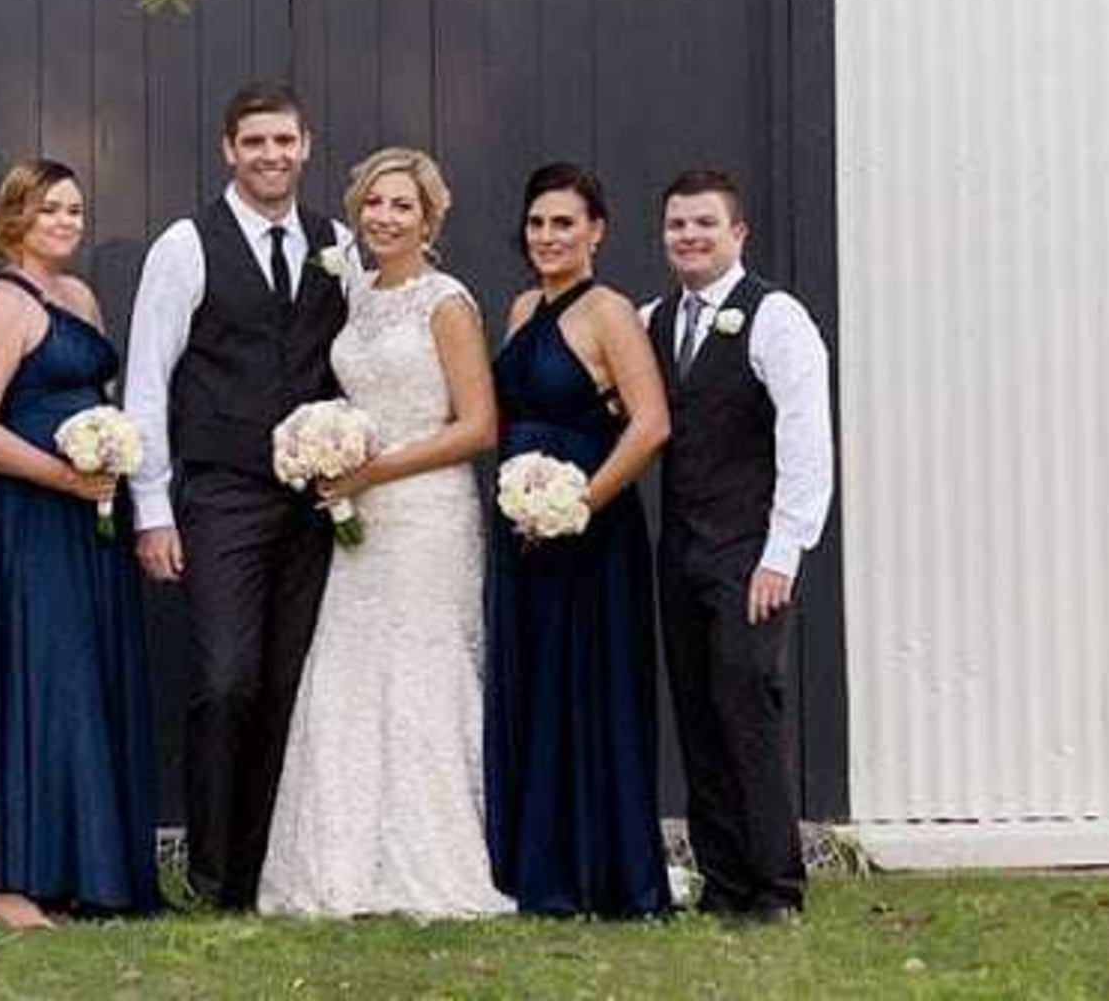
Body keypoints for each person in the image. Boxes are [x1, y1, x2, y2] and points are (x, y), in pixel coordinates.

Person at [257, 147, 510, 919]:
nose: (385, 218)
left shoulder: (447, 302)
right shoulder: (358, 297)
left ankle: (435, 863)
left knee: (422, 675)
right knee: (349, 671)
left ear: (429, 218)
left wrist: (376, 470)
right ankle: (343, 867)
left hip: (427, 513)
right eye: (374, 204)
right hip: (360, 515)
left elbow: (478, 426)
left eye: (402, 206)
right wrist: (330, 448)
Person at [123, 81, 351, 909]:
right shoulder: (185, 245)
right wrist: (151, 508)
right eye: (254, 142)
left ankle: (262, 874)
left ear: (306, 145)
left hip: (314, 505)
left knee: (290, 684)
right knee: (226, 680)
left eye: (284, 141)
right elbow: (147, 380)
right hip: (220, 494)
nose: (270, 156)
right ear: (228, 149)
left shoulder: (338, 242)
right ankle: (213, 873)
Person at [0, 160, 160, 928]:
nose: (66, 220)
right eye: (50, 208)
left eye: (76, 209)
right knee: (33, 679)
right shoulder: (0, 302)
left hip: (87, 519)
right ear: (15, 217)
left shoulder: (81, 298)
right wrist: (63, 478)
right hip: (24, 521)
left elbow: (96, 398)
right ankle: (3, 880)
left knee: (84, 683)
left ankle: (82, 870)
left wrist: (107, 455)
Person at [485, 162, 674, 918]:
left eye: (564, 223)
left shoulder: (611, 313)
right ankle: (542, 867)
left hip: (590, 535)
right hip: (523, 529)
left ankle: (607, 870)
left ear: (596, 230)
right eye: (537, 223)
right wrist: (525, 507)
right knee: (536, 688)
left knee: (590, 688)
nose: (548, 236)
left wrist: (578, 505)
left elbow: (651, 424)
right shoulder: (522, 306)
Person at [647, 168, 834, 924]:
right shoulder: (654, 317)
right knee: (696, 711)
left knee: (746, 709)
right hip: (681, 550)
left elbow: (805, 439)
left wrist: (783, 551)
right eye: (676, 225)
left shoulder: (776, 318)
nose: (688, 236)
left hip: (750, 554)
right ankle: (723, 884)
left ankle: (776, 889)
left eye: (704, 224)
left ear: (738, 234)